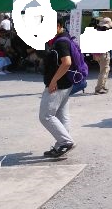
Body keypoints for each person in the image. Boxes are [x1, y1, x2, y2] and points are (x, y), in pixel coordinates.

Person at [40, 17, 76, 158]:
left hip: (58, 85)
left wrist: (53, 81)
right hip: (65, 84)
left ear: (58, 25)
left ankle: (66, 142)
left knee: (45, 116)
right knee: (62, 116)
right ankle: (61, 145)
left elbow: (66, 62)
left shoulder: (61, 42)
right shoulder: (63, 38)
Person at [94, 17, 112, 94]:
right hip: (103, 53)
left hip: (98, 54)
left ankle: (103, 86)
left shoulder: (97, 31)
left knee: (105, 70)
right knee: (103, 71)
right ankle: (99, 88)